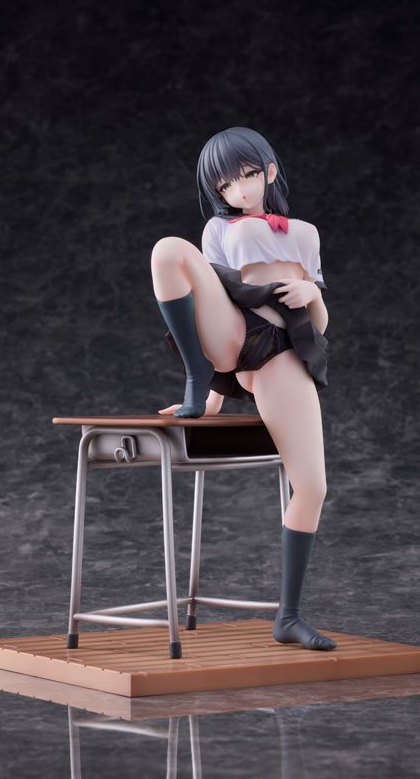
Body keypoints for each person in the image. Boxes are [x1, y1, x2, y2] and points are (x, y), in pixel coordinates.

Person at [151, 126, 337, 651]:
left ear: (269, 171)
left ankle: (289, 616)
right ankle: (195, 373)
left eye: (248, 175)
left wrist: (310, 293)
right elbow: (216, 294)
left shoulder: (305, 233)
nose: (239, 190)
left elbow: (320, 325)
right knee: (168, 250)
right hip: (235, 335)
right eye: (225, 185)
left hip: (283, 350)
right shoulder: (218, 229)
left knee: (313, 486)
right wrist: (211, 395)